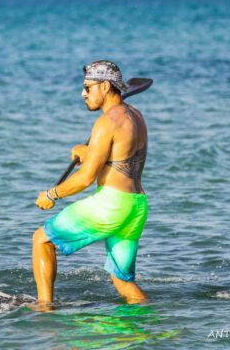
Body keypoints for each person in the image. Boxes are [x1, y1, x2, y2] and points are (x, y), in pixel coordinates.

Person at [32, 60, 149, 306]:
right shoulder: (135, 116)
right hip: (136, 205)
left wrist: (51, 194)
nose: (83, 93)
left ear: (105, 87)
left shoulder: (106, 122)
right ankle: (148, 328)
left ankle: (44, 310)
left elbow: (86, 178)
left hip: (112, 204)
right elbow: (120, 158)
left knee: (42, 239)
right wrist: (90, 151)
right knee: (122, 281)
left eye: (88, 87)